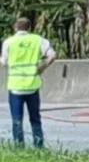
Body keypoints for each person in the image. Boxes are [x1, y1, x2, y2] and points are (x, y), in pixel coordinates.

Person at [1, 18, 57, 148]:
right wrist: (42, 67)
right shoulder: (38, 40)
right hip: (32, 86)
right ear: (30, 28)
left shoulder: (9, 42)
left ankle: (19, 148)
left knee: (17, 120)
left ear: (15, 27)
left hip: (15, 87)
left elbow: (3, 61)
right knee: (35, 119)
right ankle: (38, 146)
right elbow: (52, 55)